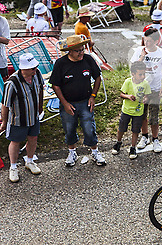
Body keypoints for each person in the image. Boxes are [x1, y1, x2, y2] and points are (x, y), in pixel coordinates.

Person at [49, 35, 106, 167]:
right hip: (68, 103)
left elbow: (97, 77)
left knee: (89, 127)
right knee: (69, 128)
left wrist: (93, 96)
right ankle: (72, 152)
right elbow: (55, 85)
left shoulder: (88, 59)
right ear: (70, 51)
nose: (81, 53)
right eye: (78, 51)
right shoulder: (61, 64)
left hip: (85, 101)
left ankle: (95, 151)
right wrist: (64, 103)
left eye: (82, 50)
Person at [1, 53, 44, 183]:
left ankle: (29, 161)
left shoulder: (37, 74)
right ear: (23, 69)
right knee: (15, 141)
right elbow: (5, 104)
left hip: (33, 116)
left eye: (35, 67)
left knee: (33, 138)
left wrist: (40, 107)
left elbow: (41, 89)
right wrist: (4, 121)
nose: (35, 70)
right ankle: (13, 167)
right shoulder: (12, 83)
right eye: (32, 68)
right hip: (18, 119)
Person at [131, 28, 162, 152]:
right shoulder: (139, 51)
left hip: (155, 89)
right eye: (145, 40)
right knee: (142, 115)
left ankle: (155, 139)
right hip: (141, 88)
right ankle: (144, 137)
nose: (146, 44)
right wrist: (142, 57)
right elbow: (133, 67)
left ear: (156, 41)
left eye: (149, 41)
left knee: (154, 116)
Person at [112, 61, 151, 160]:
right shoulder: (128, 82)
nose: (143, 76)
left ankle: (133, 148)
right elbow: (121, 94)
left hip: (138, 112)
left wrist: (146, 99)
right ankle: (118, 142)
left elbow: (147, 95)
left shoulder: (145, 83)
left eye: (144, 74)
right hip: (126, 111)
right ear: (133, 74)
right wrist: (128, 96)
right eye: (140, 74)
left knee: (135, 130)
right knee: (122, 128)